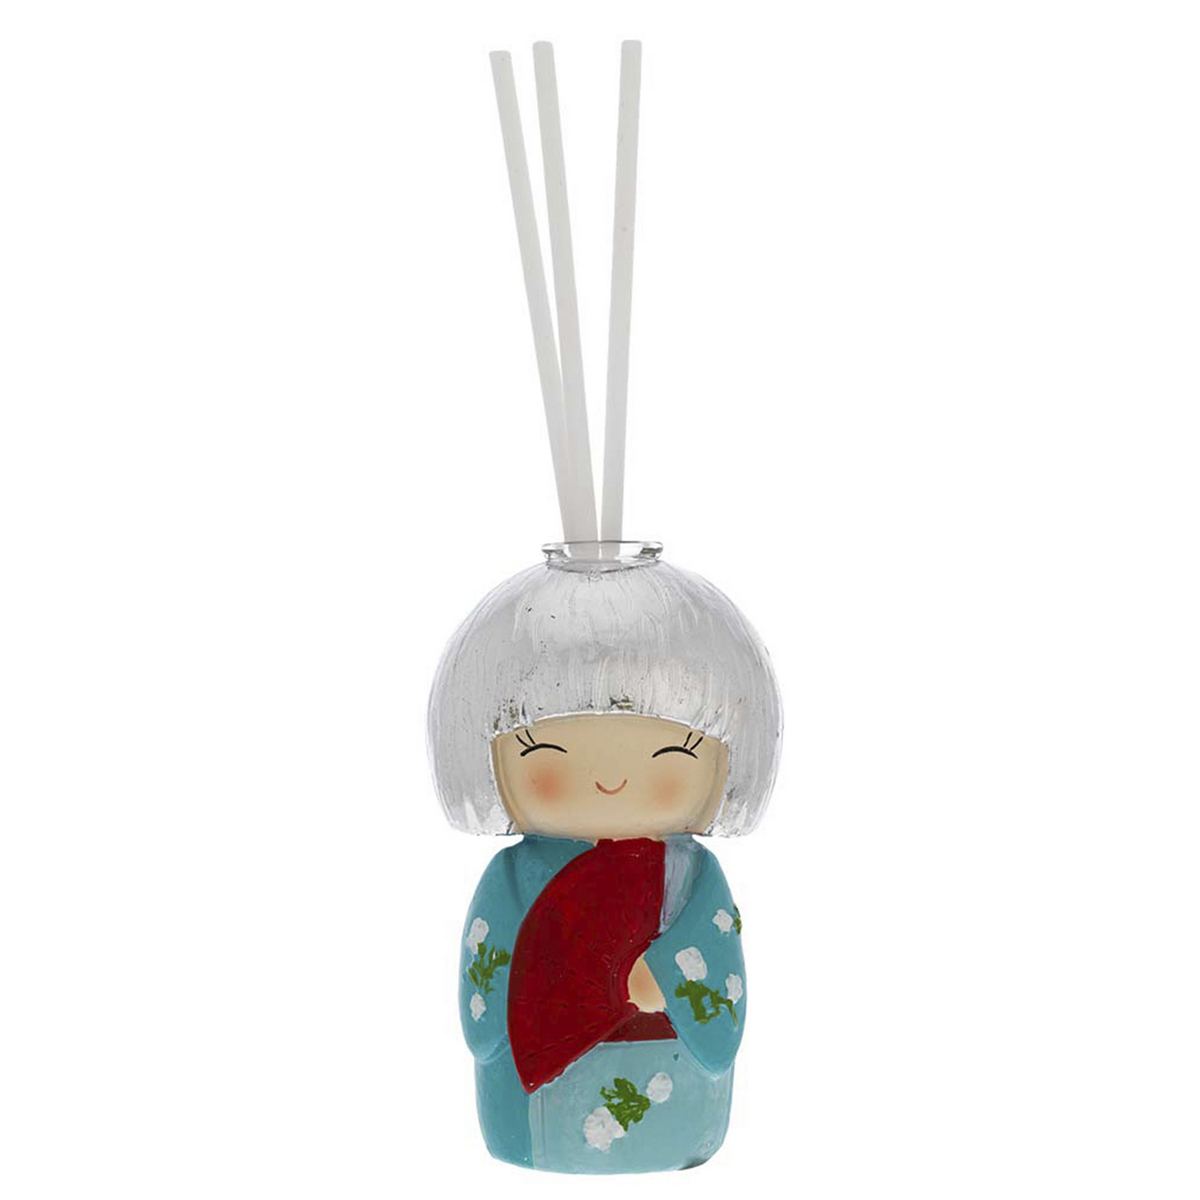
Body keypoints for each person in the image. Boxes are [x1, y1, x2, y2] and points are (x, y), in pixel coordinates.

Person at [428, 541, 782, 1172]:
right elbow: (488, 970)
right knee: (535, 1113)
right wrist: (520, 1008)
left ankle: (676, 1134)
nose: (610, 779)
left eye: (670, 755)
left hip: (664, 1057)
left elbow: (711, 948)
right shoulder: (514, 875)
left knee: (669, 1108)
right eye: (546, 753)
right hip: (537, 1084)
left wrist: (664, 978)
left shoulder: (689, 874)